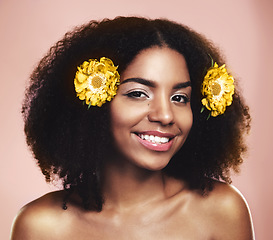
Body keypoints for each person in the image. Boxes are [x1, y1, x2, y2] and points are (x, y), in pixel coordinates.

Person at [10, 16, 254, 239]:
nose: (166, 115)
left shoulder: (222, 210)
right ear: (95, 104)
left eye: (179, 98)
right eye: (138, 94)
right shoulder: (41, 227)